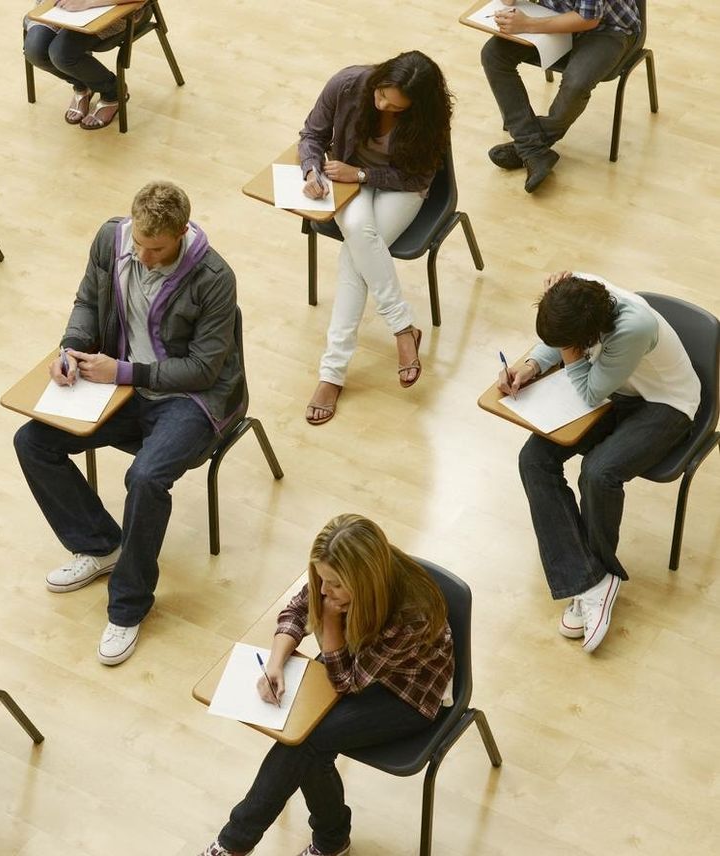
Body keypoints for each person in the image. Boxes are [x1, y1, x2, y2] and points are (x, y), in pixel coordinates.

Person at [13, 180, 241, 666]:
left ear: (182, 233)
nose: (144, 255)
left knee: (145, 477)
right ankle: (100, 545)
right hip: (123, 386)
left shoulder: (215, 277)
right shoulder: (111, 239)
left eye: (156, 249)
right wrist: (70, 347)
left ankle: (128, 605)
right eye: (138, 243)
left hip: (191, 398)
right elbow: (87, 303)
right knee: (32, 441)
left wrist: (125, 372)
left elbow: (204, 368)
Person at [199, 514, 453, 856]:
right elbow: (296, 612)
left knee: (307, 743)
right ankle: (324, 842)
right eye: (320, 579)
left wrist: (331, 621)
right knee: (305, 745)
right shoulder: (336, 577)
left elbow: (348, 682)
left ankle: (236, 844)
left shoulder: (412, 613)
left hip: (408, 693)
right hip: (351, 662)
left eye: (333, 583)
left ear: (364, 580)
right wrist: (275, 663)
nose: (322, 590)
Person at [499, 272, 699, 652]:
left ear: (586, 337)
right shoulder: (576, 291)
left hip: (666, 404)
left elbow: (590, 392)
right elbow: (556, 345)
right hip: (620, 391)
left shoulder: (633, 327)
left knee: (599, 472)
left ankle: (597, 576)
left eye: (570, 345)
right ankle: (592, 581)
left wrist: (570, 357)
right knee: (534, 458)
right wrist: (532, 367)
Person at [297, 51, 453, 426]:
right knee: (360, 239)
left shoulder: (431, 119)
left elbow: (418, 179)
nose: (382, 104)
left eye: (395, 106)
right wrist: (311, 171)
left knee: (355, 254)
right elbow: (311, 135)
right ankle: (402, 327)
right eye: (382, 95)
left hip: (400, 186)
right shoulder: (348, 84)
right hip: (347, 177)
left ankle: (331, 374)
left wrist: (364, 176)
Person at [481, 0, 640, 193]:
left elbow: (588, 19)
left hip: (608, 29)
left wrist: (527, 24)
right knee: (493, 55)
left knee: (576, 83)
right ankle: (533, 149)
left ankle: (528, 146)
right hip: (552, 14)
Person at [24, 0, 147, 130]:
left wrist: (89, 2)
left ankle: (113, 92)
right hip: (61, 6)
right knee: (35, 51)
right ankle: (83, 84)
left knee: (62, 54)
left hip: (115, 8)